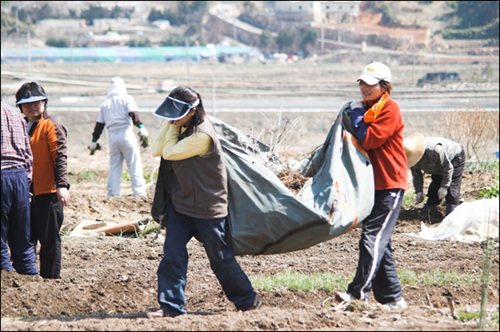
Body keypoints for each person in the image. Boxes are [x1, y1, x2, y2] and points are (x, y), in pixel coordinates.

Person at [148, 86, 262, 318]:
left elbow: (169, 153)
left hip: (208, 207)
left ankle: (248, 301)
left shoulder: (202, 135)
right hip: (181, 204)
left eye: (178, 113)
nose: (174, 117)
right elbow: (156, 150)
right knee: (172, 254)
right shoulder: (180, 126)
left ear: (193, 111)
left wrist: (172, 127)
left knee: (219, 257)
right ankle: (171, 308)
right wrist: (172, 123)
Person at [336, 62, 408, 309]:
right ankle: (393, 299)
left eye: (371, 84)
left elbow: (370, 139)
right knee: (381, 243)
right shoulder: (367, 109)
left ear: (384, 86)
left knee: (371, 238)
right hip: (372, 186)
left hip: (390, 183)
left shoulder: (389, 108)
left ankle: (357, 294)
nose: (364, 88)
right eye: (362, 83)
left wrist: (356, 117)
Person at [15, 82, 71, 279]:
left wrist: (62, 186)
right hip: (26, 193)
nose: (32, 107)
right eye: (26, 104)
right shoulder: (21, 125)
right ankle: (27, 278)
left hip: (48, 192)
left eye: (36, 102)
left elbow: (60, 157)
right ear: (20, 107)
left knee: (49, 240)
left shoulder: (51, 125)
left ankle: (51, 280)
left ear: (44, 103)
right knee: (27, 238)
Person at [89, 76, 148, 198]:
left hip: (112, 137)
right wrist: (141, 127)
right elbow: (133, 113)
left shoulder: (105, 104)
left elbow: (99, 125)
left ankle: (113, 194)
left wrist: (94, 141)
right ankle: (139, 193)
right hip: (126, 134)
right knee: (134, 163)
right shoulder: (127, 98)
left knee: (115, 166)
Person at [1, 100, 39, 276]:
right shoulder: (16, 115)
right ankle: (30, 274)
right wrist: (27, 181)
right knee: (22, 235)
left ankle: (5, 275)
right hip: (20, 177)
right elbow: (28, 153)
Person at [406, 137, 465, 217]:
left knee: (452, 187)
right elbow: (417, 175)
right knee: (435, 187)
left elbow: (447, 168)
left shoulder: (434, 150)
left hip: (454, 157)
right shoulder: (412, 158)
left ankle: (450, 214)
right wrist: (419, 191)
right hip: (437, 165)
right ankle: (430, 211)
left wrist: (444, 187)